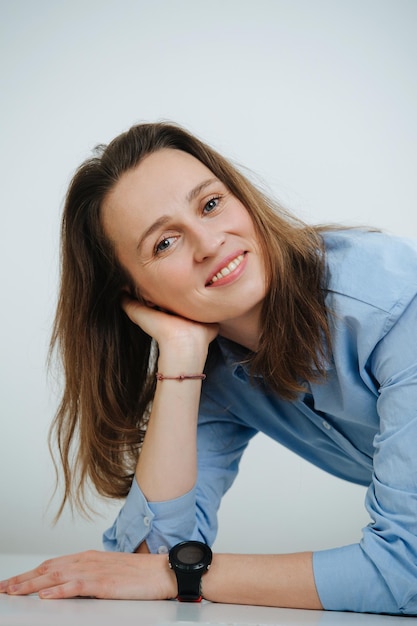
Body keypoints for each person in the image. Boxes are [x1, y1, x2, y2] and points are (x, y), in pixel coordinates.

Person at [1, 122, 416, 615]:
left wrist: (186, 573)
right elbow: (145, 559)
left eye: (211, 204)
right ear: (137, 297)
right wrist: (179, 356)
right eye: (164, 243)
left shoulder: (393, 308)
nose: (208, 242)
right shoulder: (218, 370)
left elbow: (405, 573)